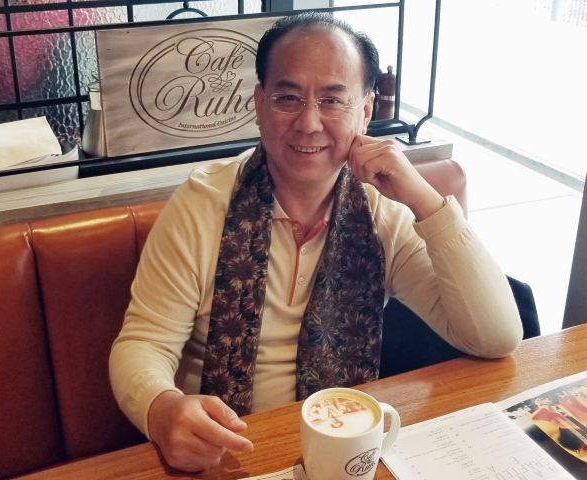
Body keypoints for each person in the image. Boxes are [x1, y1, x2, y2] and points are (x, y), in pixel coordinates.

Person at [109, 12, 523, 472]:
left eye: (332, 100)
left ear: (366, 111)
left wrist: (424, 200)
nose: (308, 123)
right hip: (229, 453)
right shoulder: (202, 205)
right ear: (260, 103)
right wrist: (162, 409)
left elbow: (496, 336)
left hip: (345, 453)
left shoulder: (382, 212)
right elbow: (143, 344)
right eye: (288, 98)